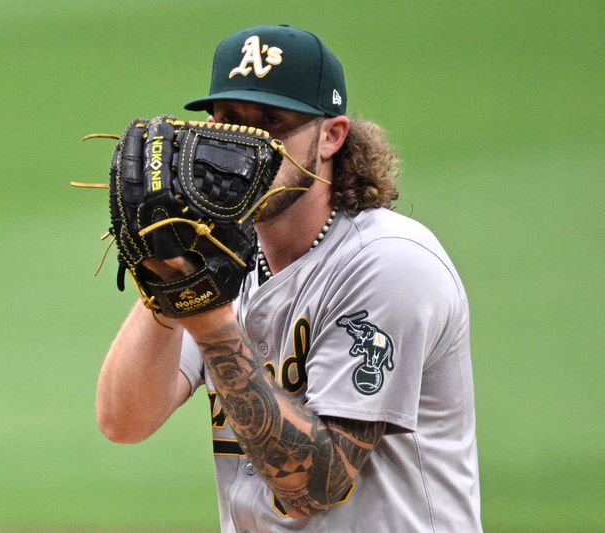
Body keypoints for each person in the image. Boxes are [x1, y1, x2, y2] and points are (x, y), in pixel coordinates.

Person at [96, 24, 482, 532]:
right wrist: (165, 275)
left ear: (331, 136)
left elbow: (315, 487)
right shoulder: (227, 253)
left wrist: (210, 322)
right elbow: (124, 421)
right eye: (231, 122)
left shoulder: (388, 262)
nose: (248, 147)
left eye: (273, 123)